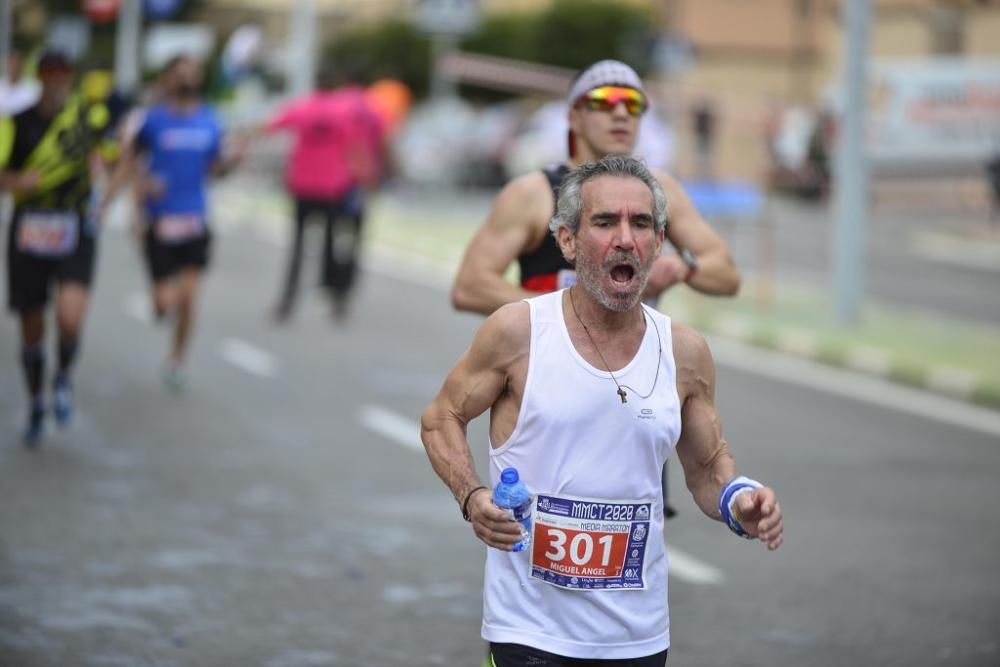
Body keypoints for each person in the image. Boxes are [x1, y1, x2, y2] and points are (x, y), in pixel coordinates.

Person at [421, 155, 783, 666]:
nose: (625, 238)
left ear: (658, 244)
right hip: (529, 632)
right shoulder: (518, 332)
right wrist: (471, 495)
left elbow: (706, 468)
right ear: (567, 240)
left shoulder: (684, 352)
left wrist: (739, 499)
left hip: (638, 637)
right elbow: (441, 417)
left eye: (641, 224)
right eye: (605, 221)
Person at [451, 60, 740, 519]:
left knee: (631, 544)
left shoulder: (657, 191)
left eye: (635, 104)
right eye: (605, 102)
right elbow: (469, 285)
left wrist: (682, 269)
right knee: (539, 540)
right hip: (551, 392)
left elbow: (725, 272)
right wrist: (559, 313)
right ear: (573, 116)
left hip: (636, 394)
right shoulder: (534, 193)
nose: (622, 114)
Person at [110, 55, 247, 390]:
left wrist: (234, 163)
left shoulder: (210, 121)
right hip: (159, 221)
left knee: (188, 298)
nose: (186, 78)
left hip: (194, 220)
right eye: (179, 73)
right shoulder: (152, 122)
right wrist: (134, 198)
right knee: (164, 303)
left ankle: (177, 358)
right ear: (169, 79)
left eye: (191, 72)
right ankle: (159, 306)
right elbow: (129, 163)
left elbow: (216, 170)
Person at [0, 50, 115, 444]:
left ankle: (63, 378)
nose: (56, 79)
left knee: (69, 317)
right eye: (49, 71)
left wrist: (107, 182)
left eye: (63, 72)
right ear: (40, 76)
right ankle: (35, 400)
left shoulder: (90, 121)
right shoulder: (14, 124)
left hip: (74, 228)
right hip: (30, 229)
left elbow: (116, 157)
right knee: (32, 326)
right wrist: (16, 183)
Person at [264, 65, 385, 322]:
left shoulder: (302, 107)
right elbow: (357, 148)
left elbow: (271, 126)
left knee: (298, 245)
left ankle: (288, 301)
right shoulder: (346, 112)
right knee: (333, 244)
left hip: (303, 186)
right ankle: (336, 298)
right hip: (333, 187)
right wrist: (367, 177)